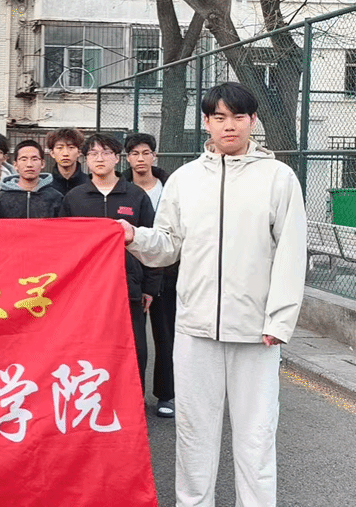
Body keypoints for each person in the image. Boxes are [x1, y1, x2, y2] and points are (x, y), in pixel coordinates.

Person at [119, 82, 306, 507]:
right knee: (194, 433)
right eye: (219, 117)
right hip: (195, 329)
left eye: (238, 116)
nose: (229, 125)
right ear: (206, 122)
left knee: (256, 437)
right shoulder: (185, 180)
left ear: (253, 120)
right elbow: (168, 244)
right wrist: (134, 236)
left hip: (256, 334)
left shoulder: (278, 178)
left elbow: (292, 253)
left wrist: (279, 321)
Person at [60, 133, 161, 390]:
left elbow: (153, 242)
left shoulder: (136, 196)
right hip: (86, 290)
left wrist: (150, 287)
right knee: (89, 348)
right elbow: (63, 245)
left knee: (134, 348)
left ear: (117, 158)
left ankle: (134, 400)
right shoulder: (74, 198)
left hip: (129, 287)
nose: (99, 158)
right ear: (86, 160)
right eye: (93, 154)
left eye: (106, 153)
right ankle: (92, 400)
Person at [122, 133, 177, 418]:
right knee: (134, 342)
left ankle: (166, 395)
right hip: (133, 276)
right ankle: (134, 395)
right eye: (135, 153)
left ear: (155, 156)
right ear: (127, 158)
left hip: (168, 272)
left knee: (165, 335)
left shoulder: (171, 188)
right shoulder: (122, 191)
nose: (140, 159)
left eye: (146, 153)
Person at [0, 140, 64, 218]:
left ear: (42, 164)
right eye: (24, 159)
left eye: (34, 159)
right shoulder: (0, 198)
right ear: (15, 165)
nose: (29, 164)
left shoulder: (55, 197)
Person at [46, 127, 89, 195]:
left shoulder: (90, 184)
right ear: (52, 153)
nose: (65, 153)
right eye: (60, 148)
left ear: (79, 152)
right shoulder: (45, 185)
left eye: (71, 147)